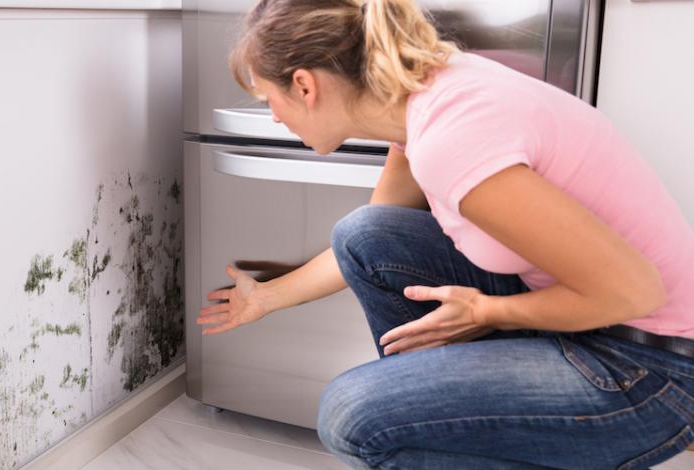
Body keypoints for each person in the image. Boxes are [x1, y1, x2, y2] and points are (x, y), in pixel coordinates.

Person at [195, 0, 694, 468]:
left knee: (351, 416)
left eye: (269, 100)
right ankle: (452, 418)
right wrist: (265, 298)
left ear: (304, 85)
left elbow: (635, 291)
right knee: (365, 235)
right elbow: (365, 246)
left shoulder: (451, 141)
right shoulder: (421, 102)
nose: (275, 118)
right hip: (589, 317)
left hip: (650, 368)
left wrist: (487, 312)